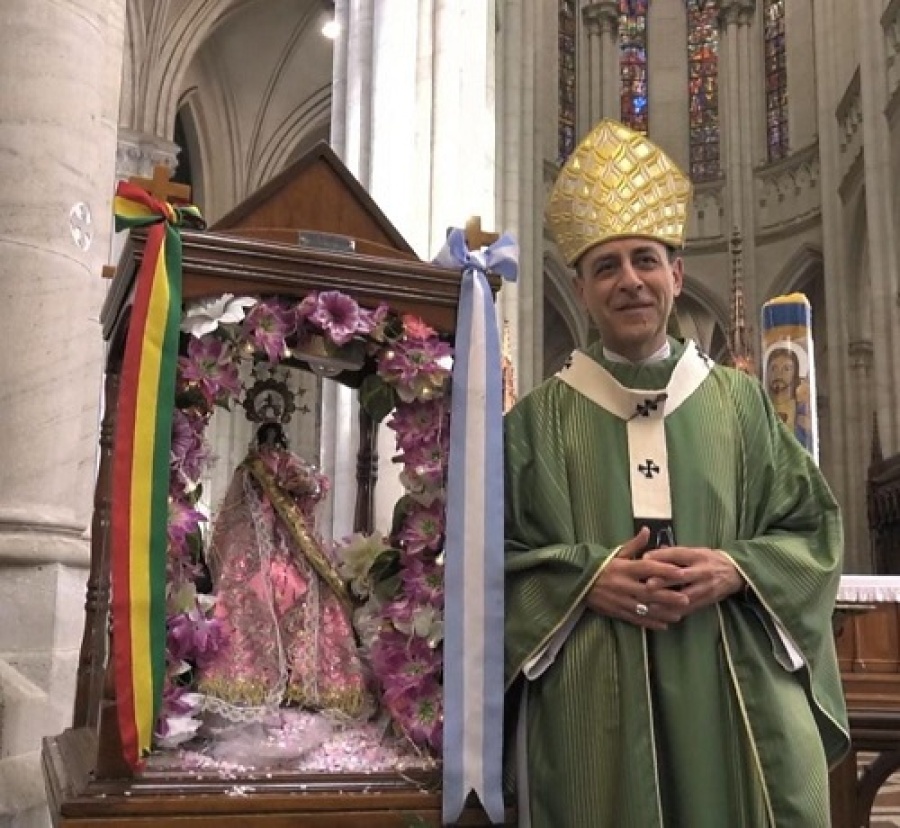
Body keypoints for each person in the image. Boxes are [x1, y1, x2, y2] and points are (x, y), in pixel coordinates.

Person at [503, 119, 849, 827]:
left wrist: (735, 567)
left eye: (645, 260)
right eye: (606, 266)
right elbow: (489, 568)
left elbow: (814, 531)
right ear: (580, 287)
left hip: (732, 689)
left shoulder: (742, 403)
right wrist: (585, 579)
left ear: (677, 275)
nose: (629, 280)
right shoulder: (535, 423)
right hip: (590, 699)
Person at [765, 344, 812, 447]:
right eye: (773, 368)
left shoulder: (802, 411)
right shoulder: (762, 409)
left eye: (786, 369)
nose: (778, 374)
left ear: (795, 372)